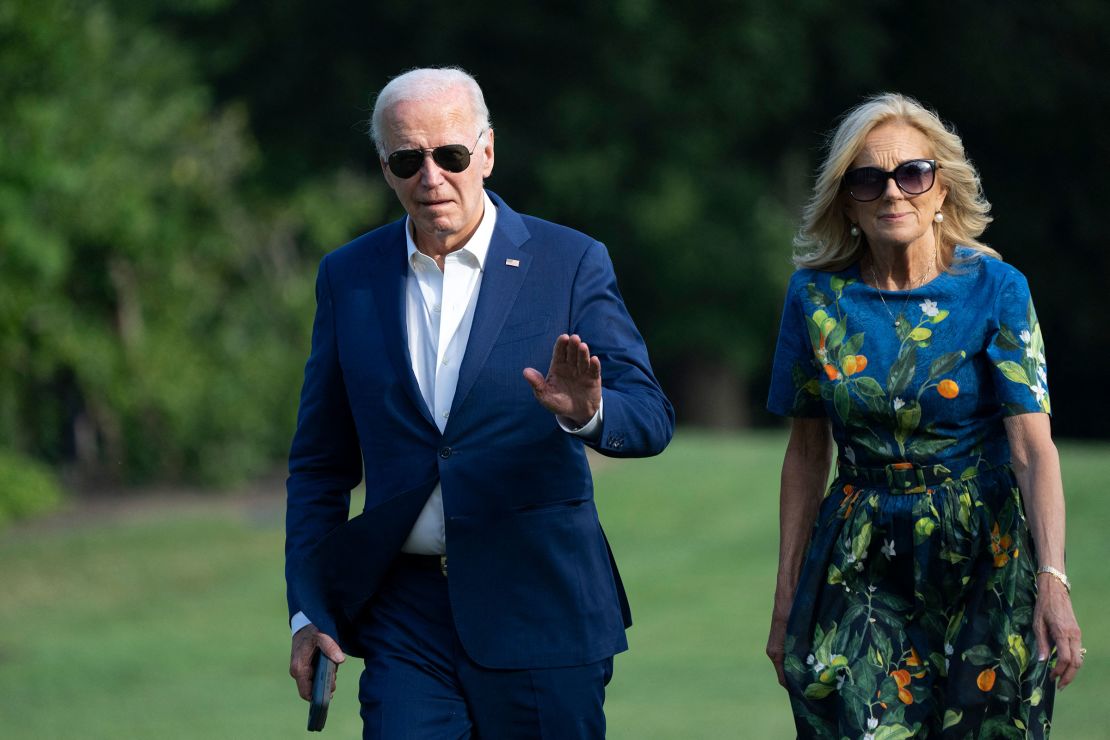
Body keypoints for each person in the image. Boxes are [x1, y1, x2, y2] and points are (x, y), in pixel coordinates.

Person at [284, 66, 674, 739]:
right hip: (405, 615)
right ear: (386, 168)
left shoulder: (569, 261)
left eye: (451, 155)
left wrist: (586, 412)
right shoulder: (348, 277)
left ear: (487, 152)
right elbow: (320, 465)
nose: (431, 177)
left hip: (540, 607)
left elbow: (650, 415)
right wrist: (308, 610)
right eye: (408, 160)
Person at [764, 93, 1082, 738]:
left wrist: (1053, 579)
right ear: (847, 200)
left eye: (913, 173)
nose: (893, 192)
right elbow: (804, 453)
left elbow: (1032, 450)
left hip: (984, 555)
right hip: (858, 558)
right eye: (868, 178)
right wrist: (786, 594)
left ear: (943, 190)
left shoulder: (999, 289)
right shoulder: (816, 297)